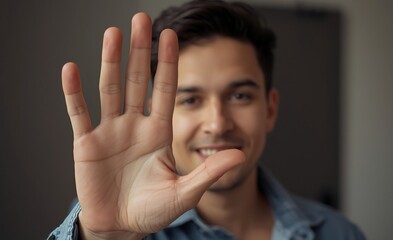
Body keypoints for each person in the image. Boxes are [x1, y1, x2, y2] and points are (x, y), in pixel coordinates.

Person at [49, 0, 365, 239]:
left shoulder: (339, 233)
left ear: (269, 109)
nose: (217, 123)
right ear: (159, 117)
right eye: (190, 100)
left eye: (239, 95)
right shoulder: (110, 225)